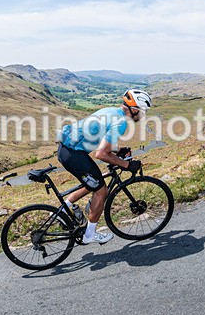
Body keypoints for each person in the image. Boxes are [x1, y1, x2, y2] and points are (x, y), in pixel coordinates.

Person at [56, 89, 152, 244]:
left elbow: (100, 138)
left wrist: (119, 151)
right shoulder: (121, 122)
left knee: (94, 182)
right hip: (74, 154)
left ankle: (62, 210)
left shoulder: (111, 111)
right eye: (143, 111)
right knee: (102, 191)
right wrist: (127, 165)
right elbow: (101, 154)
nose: (143, 115)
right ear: (134, 109)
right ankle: (89, 235)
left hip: (66, 150)